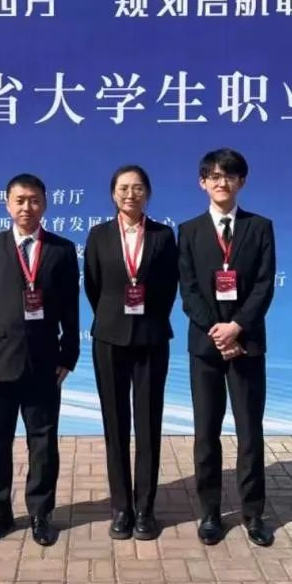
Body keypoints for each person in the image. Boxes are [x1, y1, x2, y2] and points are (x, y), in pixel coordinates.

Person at [0, 173, 80, 546]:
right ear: (7, 204)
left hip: (44, 361)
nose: (27, 207)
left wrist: (69, 354)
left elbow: (71, 308)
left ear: (45, 203)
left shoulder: (62, 250)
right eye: (20, 200)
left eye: (34, 200)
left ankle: (41, 513)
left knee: (43, 442)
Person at [177, 148, 276, 547]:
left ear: (242, 182)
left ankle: (253, 514)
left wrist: (236, 327)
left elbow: (264, 286)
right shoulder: (188, 231)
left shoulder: (260, 227)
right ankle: (210, 513)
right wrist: (216, 332)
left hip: (247, 344)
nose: (222, 182)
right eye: (214, 176)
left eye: (230, 176)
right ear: (202, 183)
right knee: (206, 433)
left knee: (250, 432)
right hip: (205, 347)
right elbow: (188, 291)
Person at [84, 165, 178, 541]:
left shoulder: (163, 235)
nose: (130, 194)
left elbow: (169, 286)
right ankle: (121, 508)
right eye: (123, 188)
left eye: (138, 188)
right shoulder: (98, 235)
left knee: (149, 425)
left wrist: (149, 318)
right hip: (109, 338)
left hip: (151, 338)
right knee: (116, 424)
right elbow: (93, 286)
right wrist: (112, 318)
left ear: (148, 194)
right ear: (113, 194)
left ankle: (146, 510)